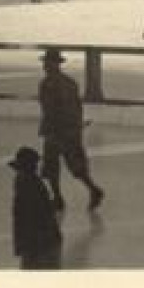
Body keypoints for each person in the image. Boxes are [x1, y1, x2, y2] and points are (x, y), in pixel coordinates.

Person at [37, 49, 105, 212]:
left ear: (57, 64)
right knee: (51, 167)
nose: (46, 66)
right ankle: (58, 197)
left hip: (65, 132)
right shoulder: (47, 83)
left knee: (75, 167)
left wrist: (71, 130)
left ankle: (93, 190)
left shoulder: (62, 84)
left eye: (49, 63)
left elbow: (70, 109)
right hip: (55, 131)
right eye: (45, 63)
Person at [9, 146, 62, 270]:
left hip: (37, 243)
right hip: (43, 242)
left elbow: (30, 216)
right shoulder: (30, 182)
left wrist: (23, 245)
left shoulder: (25, 183)